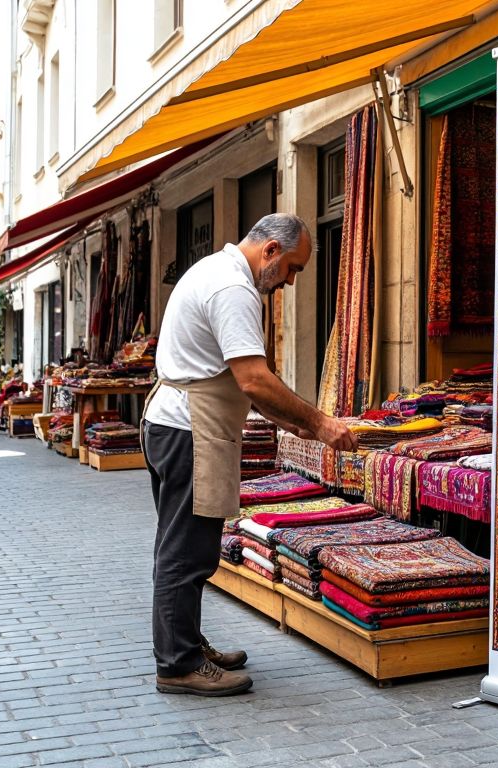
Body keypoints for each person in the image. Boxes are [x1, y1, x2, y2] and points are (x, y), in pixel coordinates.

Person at [142, 213, 358, 696]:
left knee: (181, 546)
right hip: (190, 430)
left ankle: (187, 646)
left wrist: (298, 422)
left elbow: (248, 385)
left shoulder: (216, 271)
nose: (290, 281)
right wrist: (320, 423)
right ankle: (177, 665)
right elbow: (253, 379)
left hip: (176, 424)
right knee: (187, 552)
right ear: (271, 252)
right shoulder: (233, 289)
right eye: (292, 269)